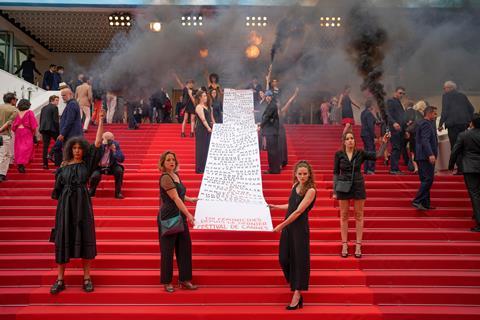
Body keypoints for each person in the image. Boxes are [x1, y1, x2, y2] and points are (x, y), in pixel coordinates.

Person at [50, 110, 106, 295]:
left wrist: (101, 122)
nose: (76, 150)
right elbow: (56, 191)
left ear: (83, 149)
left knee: (85, 237)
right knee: (64, 237)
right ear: (69, 150)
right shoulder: (63, 167)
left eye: (79, 148)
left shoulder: (86, 165)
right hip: (65, 207)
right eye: (73, 148)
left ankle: (87, 278)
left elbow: (97, 144)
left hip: (82, 204)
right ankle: (60, 280)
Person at [269, 161, 317, 310]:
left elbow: (298, 212)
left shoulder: (311, 191)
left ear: (309, 174)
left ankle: (297, 293)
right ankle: (295, 283)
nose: (302, 176)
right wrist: (275, 207)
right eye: (300, 173)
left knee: (299, 260)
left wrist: (281, 225)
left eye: (305, 174)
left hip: (299, 228)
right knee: (283, 258)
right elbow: (291, 206)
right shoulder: (294, 186)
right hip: (289, 226)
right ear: (295, 174)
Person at [333, 131, 389, 258]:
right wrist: (335, 191)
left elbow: (378, 155)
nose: (350, 140)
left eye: (352, 138)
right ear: (344, 141)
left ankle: (358, 245)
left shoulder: (360, 153)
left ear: (354, 140)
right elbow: (336, 173)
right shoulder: (338, 154)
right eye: (347, 138)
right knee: (344, 216)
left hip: (358, 185)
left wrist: (384, 142)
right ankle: (344, 244)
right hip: (343, 186)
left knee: (359, 215)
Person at [157, 150, 197, 292]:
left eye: (173, 159)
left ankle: (184, 279)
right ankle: (167, 281)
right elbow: (174, 198)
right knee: (167, 250)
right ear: (163, 163)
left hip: (180, 214)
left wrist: (190, 199)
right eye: (168, 160)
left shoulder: (176, 175)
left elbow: (180, 195)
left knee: (185, 247)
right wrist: (189, 214)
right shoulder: (166, 178)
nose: (171, 162)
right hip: (169, 216)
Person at [449, 113, 480, 232]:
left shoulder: (464, 135)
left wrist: (451, 165)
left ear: (471, 123)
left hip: (470, 168)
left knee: (474, 194)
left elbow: (455, 151)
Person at [439, 81, 475, 175]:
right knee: (464, 146)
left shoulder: (446, 97)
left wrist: (440, 124)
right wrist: (470, 121)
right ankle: (466, 168)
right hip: (463, 124)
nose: (444, 90)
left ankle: (460, 169)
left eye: (445, 88)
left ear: (450, 88)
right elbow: (471, 109)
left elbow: (445, 111)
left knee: (455, 147)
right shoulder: (462, 96)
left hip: (452, 125)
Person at [412, 106, 439, 211]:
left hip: (421, 155)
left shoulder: (421, 123)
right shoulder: (426, 124)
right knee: (428, 179)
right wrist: (430, 154)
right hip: (425, 156)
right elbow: (425, 140)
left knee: (425, 179)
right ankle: (417, 200)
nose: (435, 116)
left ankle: (425, 204)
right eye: (434, 114)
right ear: (429, 113)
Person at [89, 131, 125, 199]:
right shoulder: (99, 145)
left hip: (111, 166)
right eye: (107, 139)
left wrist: (114, 151)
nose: (109, 141)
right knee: (95, 176)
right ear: (103, 139)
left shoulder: (115, 145)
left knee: (119, 170)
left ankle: (118, 192)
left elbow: (121, 159)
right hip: (99, 167)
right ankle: (91, 191)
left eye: (111, 139)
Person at [11, 99, 38, 173]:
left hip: (18, 132)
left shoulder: (16, 112)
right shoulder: (29, 112)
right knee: (27, 148)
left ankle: (20, 163)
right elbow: (33, 125)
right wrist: (35, 135)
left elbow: (13, 126)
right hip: (27, 132)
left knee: (19, 148)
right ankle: (22, 164)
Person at [386, 86, 407, 175]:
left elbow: (402, 117)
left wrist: (405, 130)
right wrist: (394, 123)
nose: (401, 95)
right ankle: (393, 169)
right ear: (395, 92)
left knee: (398, 149)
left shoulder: (399, 102)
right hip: (394, 129)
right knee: (396, 148)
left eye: (403, 93)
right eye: (400, 93)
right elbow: (387, 114)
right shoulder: (391, 101)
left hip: (400, 129)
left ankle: (395, 168)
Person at [259, 90, 280, 174]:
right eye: (266, 96)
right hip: (271, 132)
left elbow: (267, 117)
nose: (267, 98)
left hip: (272, 132)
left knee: (272, 151)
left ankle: (274, 169)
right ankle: (274, 168)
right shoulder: (270, 105)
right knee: (272, 151)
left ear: (271, 97)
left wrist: (260, 126)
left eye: (269, 96)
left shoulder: (272, 106)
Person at [194, 91, 214, 174]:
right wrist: (209, 128)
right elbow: (203, 119)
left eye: (206, 95)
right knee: (201, 148)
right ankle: (200, 168)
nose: (206, 97)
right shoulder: (199, 107)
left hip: (207, 128)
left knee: (207, 148)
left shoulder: (207, 107)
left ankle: (206, 167)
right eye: (204, 96)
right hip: (201, 129)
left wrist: (214, 126)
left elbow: (211, 119)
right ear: (200, 97)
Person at [0, 92, 18, 182]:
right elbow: (9, 123)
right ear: (12, 100)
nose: (16, 101)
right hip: (4, 135)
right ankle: (1, 174)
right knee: (4, 155)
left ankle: (2, 174)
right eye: (16, 99)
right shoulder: (14, 109)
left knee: (6, 154)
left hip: (3, 135)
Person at [39, 95, 60, 169]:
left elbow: (41, 119)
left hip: (44, 129)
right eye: (56, 100)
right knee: (60, 142)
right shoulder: (54, 107)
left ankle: (45, 164)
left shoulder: (43, 108)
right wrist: (59, 130)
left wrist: (40, 129)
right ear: (52, 100)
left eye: (58, 100)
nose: (58, 102)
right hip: (52, 129)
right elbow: (56, 120)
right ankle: (51, 154)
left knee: (45, 147)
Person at [173, 73, 196, 138]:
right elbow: (180, 83)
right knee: (187, 119)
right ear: (188, 83)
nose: (192, 84)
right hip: (188, 106)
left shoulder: (192, 91)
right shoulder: (186, 89)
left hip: (190, 106)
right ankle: (184, 132)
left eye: (192, 83)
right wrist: (176, 77)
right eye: (191, 83)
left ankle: (190, 133)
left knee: (191, 120)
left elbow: (194, 100)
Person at [360, 100, 377, 174]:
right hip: (368, 134)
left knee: (366, 151)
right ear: (371, 106)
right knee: (371, 151)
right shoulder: (369, 114)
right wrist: (374, 136)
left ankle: (366, 169)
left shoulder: (363, 113)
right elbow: (370, 126)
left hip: (363, 134)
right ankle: (370, 169)